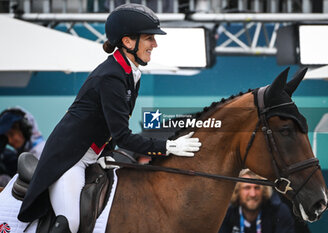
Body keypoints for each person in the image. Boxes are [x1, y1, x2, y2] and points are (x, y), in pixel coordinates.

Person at [18, 3, 201, 233]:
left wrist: (104, 154)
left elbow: (107, 127)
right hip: (70, 160)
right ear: (127, 42)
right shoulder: (110, 77)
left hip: (93, 156)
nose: (155, 44)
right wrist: (168, 146)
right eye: (149, 38)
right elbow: (123, 136)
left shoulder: (130, 73)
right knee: (70, 222)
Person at [218, 169, 295, 233]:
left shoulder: (279, 211)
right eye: (247, 188)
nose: (253, 194)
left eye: (257, 188)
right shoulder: (225, 214)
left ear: (264, 191)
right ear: (237, 191)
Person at [0, 107, 45, 186]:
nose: (9, 141)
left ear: (25, 130)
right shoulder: (19, 154)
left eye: (12, 134)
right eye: (6, 137)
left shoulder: (40, 153)